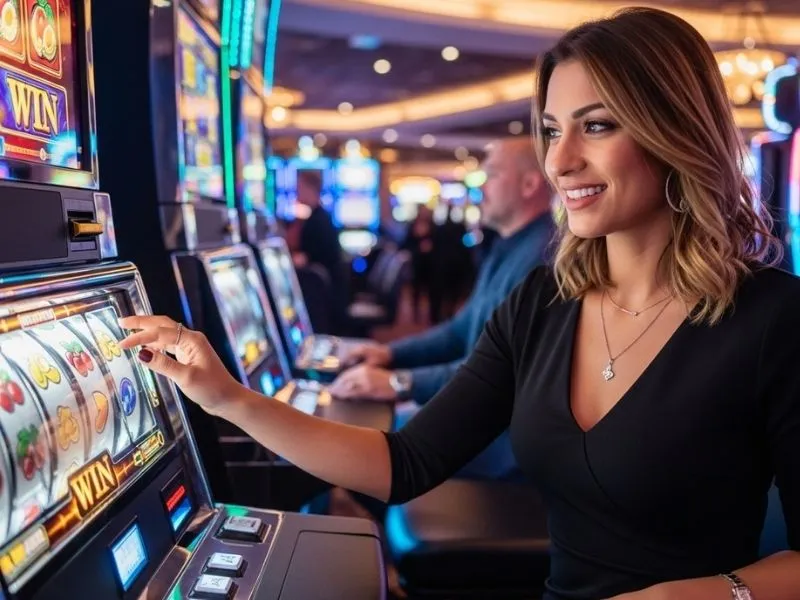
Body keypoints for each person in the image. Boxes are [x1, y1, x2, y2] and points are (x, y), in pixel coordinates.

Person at [119, 8, 800, 599]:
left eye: (596, 127)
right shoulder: (545, 300)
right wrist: (225, 395)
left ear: (673, 132)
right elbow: (404, 463)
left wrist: (711, 594)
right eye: (551, 128)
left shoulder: (772, 317)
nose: (559, 161)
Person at [327, 136, 555, 480]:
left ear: (528, 184)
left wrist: (400, 382)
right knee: (359, 433)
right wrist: (389, 354)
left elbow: (502, 375)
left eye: (491, 175)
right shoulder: (508, 247)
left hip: (504, 443)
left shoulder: (541, 259)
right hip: (480, 414)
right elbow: (460, 330)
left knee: (364, 449)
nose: (481, 189)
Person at [293, 169, 350, 334]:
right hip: (331, 289)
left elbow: (311, 258)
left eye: (299, 188)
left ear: (310, 189)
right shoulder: (320, 216)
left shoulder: (317, 220)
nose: (297, 192)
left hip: (326, 296)